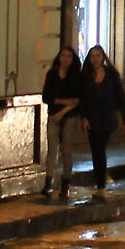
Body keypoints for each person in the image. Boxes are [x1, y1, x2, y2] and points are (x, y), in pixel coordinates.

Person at [70, 46, 125, 198]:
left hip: (108, 117)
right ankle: (100, 186)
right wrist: (84, 117)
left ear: (103, 57)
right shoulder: (86, 76)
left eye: (98, 55)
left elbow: (120, 96)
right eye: (92, 56)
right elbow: (83, 99)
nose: (95, 59)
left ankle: (101, 184)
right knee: (97, 151)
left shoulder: (111, 75)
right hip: (92, 119)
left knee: (100, 149)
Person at [42, 46, 83, 196]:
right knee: (52, 149)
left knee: (66, 149)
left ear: (73, 59)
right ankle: (48, 183)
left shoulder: (76, 77)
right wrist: (65, 101)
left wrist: (62, 107)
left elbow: (77, 100)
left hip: (70, 116)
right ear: (59, 57)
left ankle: (66, 183)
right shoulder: (52, 74)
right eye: (63, 55)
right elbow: (46, 97)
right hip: (53, 116)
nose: (65, 59)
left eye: (69, 56)